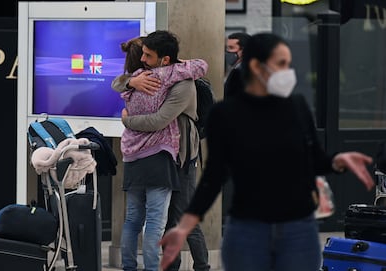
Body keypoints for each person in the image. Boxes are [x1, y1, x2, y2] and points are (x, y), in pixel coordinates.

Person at [159, 32, 375, 271]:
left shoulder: (297, 106)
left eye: (288, 64)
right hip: (247, 230)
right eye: (281, 64)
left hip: (298, 229)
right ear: (256, 66)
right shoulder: (225, 114)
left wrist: (337, 161)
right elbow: (214, 176)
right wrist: (184, 226)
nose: (287, 71)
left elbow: (315, 161)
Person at [113, 30, 211, 271]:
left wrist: (127, 121)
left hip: (182, 158)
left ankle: (202, 266)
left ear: (165, 59)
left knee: (183, 215)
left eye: (148, 55)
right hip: (162, 156)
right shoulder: (142, 77)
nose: (143, 60)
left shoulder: (182, 84)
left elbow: (160, 119)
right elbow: (117, 82)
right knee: (161, 220)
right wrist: (130, 81)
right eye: (142, 54)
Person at [224, 32, 251, 99]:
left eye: (231, 48)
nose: (227, 51)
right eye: (227, 48)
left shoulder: (247, 72)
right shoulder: (236, 69)